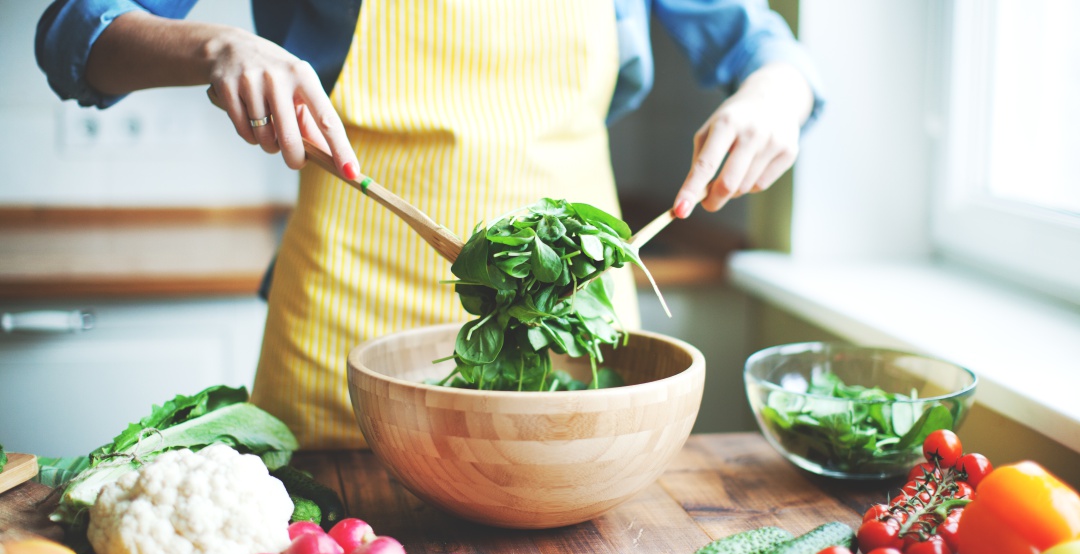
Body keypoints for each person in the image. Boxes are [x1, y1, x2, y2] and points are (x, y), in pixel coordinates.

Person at [37, 0, 824, 449]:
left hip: (573, 326)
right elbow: (74, 34)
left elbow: (763, 48)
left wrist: (776, 94)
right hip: (340, 331)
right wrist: (216, 46)